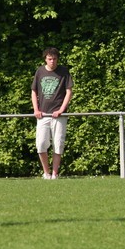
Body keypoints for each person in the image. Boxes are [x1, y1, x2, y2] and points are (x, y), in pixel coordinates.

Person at [31, 47, 73, 180]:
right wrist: (36, 110)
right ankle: (46, 173)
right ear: (45, 59)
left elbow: (69, 92)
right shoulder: (40, 71)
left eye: (54, 59)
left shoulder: (64, 71)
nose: (52, 61)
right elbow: (34, 91)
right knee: (41, 144)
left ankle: (55, 174)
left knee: (58, 144)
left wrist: (61, 110)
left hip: (59, 115)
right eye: (50, 59)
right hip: (43, 115)